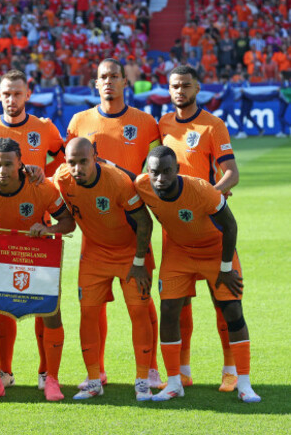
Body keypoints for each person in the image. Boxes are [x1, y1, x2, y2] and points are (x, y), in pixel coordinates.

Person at [135, 145, 260, 403]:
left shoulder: (201, 190)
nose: (160, 179)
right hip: (179, 253)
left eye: (167, 172)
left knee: (232, 311)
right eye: (155, 172)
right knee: (169, 311)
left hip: (215, 252)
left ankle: (244, 383)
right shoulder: (143, 185)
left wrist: (226, 268)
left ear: (178, 170)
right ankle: (173, 383)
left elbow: (230, 225)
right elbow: (120, 177)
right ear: (148, 172)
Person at [0, 69, 64, 390]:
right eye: (6, 94)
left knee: (42, 307)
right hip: (3, 234)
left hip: (38, 230)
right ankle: (3, 373)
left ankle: (46, 373)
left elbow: (63, 166)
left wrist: (41, 177)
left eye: (17, 94)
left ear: (28, 94)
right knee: (0, 305)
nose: (11, 99)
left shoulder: (44, 128)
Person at [66, 58, 162, 389]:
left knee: (143, 303)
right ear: (96, 84)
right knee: (93, 307)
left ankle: (149, 369)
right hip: (96, 232)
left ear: (125, 81)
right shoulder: (80, 121)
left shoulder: (146, 122)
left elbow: (157, 171)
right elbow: (68, 165)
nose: (108, 82)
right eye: (102, 77)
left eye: (114, 76)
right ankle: (97, 373)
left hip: (134, 225)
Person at [159, 65, 241, 392]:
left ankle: (231, 368)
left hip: (209, 228)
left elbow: (231, 172)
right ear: (169, 89)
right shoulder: (162, 124)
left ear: (198, 88)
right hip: (174, 233)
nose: (181, 91)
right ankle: (182, 370)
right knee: (178, 305)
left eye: (186, 86)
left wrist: (213, 195)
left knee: (223, 300)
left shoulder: (213, 125)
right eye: (175, 86)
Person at [54, 138, 155, 401]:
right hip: (95, 254)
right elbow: (52, 204)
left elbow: (145, 222)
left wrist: (140, 262)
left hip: (130, 254)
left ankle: (143, 380)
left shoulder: (118, 181)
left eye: (83, 161)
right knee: (87, 314)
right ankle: (93, 379)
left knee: (139, 312)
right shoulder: (63, 179)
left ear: (95, 157)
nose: (77, 168)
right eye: (71, 162)